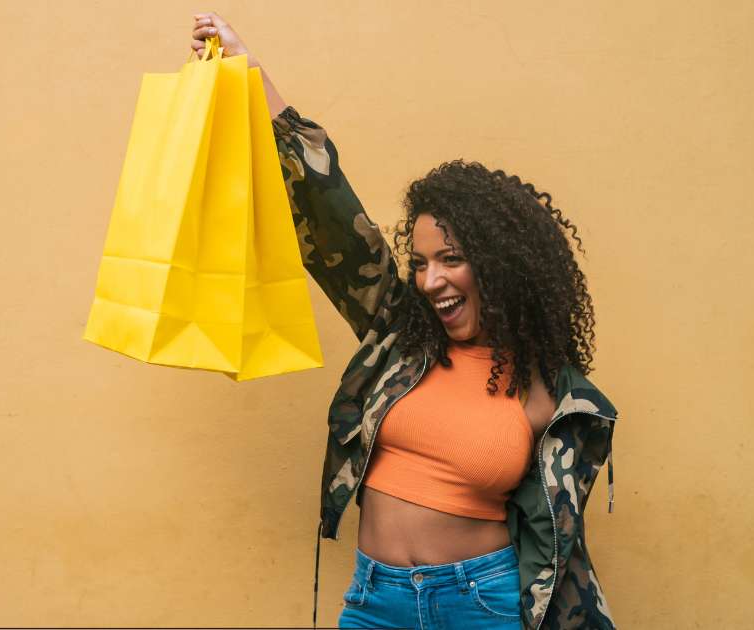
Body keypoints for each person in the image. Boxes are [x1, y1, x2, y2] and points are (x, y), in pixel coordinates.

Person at [190, 13, 620, 630]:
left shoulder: (557, 397)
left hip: (483, 603)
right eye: (419, 262)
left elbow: (560, 552)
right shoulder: (404, 338)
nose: (430, 280)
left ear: (501, 265)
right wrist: (250, 72)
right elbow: (329, 208)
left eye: (451, 259)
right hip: (374, 601)